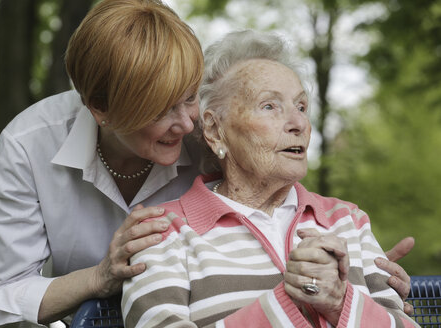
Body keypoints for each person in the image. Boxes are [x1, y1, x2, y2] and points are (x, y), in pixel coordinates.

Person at [0, 0, 412, 326]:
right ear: (100, 110)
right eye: (162, 111)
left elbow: (271, 196)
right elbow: (2, 294)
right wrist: (99, 277)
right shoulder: (25, 149)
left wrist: (358, 279)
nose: (188, 125)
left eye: (189, 97)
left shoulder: (207, 134)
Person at [121, 30, 419, 327]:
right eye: (270, 106)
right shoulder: (164, 232)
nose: (299, 123)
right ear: (213, 130)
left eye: (301, 107)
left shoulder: (347, 220)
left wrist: (339, 301)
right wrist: (286, 304)